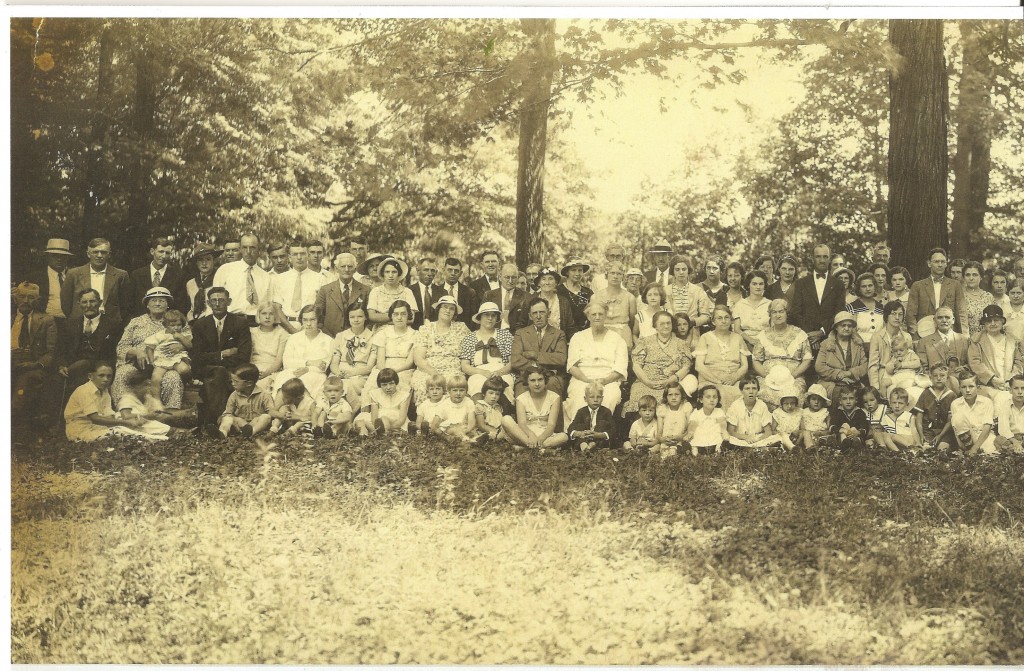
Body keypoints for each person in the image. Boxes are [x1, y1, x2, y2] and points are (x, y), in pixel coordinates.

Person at [111, 287, 191, 408]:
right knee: (123, 373)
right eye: (153, 300)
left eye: (162, 300)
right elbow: (122, 347)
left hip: (166, 365)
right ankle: (126, 412)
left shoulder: (177, 320)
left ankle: (168, 414)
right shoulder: (136, 322)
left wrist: (179, 346)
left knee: (173, 378)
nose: (157, 303)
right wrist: (137, 352)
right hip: (137, 365)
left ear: (168, 304)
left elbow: (190, 341)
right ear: (147, 304)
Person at [190, 287, 254, 430]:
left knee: (219, 373)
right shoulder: (200, 324)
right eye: (214, 300)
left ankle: (215, 420)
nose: (217, 304)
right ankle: (223, 421)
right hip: (205, 370)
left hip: (231, 370)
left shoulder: (240, 323)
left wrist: (213, 358)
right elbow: (197, 357)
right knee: (219, 372)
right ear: (208, 303)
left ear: (229, 302)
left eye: (222, 300)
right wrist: (222, 354)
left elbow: (243, 355)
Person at [565, 302, 629, 419]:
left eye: (601, 314)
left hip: (608, 380)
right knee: (578, 396)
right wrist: (587, 380)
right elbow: (572, 367)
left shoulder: (617, 339)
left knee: (610, 395)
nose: (597, 317)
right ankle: (579, 431)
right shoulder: (578, 337)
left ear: (606, 315)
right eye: (594, 314)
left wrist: (603, 381)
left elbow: (620, 368)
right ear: (588, 316)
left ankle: (600, 430)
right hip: (582, 379)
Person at [626, 311, 694, 415]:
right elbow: (636, 365)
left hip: (670, 383)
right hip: (645, 381)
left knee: (670, 399)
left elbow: (686, 367)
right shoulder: (645, 341)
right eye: (662, 323)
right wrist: (647, 382)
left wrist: (671, 380)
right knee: (641, 398)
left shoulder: (681, 344)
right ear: (655, 326)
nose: (666, 326)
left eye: (668, 323)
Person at [64, 361, 151, 441]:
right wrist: (125, 422)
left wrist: (133, 419)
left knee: (127, 428)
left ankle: (154, 435)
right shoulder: (84, 391)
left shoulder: (104, 391)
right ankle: (155, 439)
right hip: (80, 431)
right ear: (90, 376)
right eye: (101, 375)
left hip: (98, 427)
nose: (106, 379)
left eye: (109, 376)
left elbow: (108, 416)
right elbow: (95, 419)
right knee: (122, 432)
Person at [751, 299, 813, 409]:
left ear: (787, 313)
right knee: (762, 392)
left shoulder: (799, 333)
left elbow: (807, 359)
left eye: (781, 311)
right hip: (768, 377)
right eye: (774, 312)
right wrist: (768, 376)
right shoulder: (763, 334)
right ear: (770, 315)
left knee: (793, 392)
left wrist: (792, 376)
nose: (778, 315)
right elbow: (756, 360)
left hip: (793, 376)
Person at [410, 294, 471, 404]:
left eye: (452, 308)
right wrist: (435, 374)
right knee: (423, 385)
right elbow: (418, 359)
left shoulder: (461, 328)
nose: (448, 310)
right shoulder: (426, 329)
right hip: (428, 370)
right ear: (438, 309)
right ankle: (426, 418)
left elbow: (471, 350)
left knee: (454, 387)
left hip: (453, 371)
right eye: (445, 307)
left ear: (455, 313)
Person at [11, 281, 58, 422]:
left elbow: (51, 351)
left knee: (27, 378)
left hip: (33, 365)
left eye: (31, 297)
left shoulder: (46, 320)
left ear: (37, 300)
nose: (25, 301)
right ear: (14, 298)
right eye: (21, 296)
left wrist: (36, 364)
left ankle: (13, 415)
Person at [57, 288, 120, 391]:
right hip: (74, 367)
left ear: (100, 303)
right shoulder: (70, 324)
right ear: (79, 304)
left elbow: (115, 351)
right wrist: (61, 366)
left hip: (101, 367)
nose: (88, 305)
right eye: (84, 302)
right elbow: (60, 349)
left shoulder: (113, 324)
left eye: (92, 301)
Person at [61, 237, 132, 327]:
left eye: (103, 252)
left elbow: (125, 304)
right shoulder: (73, 274)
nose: (99, 255)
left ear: (109, 254)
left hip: (110, 325)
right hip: (80, 324)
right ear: (88, 254)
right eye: (95, 252)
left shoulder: (120, 275)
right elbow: (65, 303)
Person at [788, 243, 846, 350]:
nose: (822, 260)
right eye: (818, 256)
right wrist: (810, 334)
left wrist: (821, 332)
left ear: (829, 259)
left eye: (825, 257)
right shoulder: (801, 283)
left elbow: (839, 313)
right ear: (812, 258)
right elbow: (795, 312)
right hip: (805, 339)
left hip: (831, 339)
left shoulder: (838, 284)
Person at [272, 304, 335, 400]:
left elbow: (323, 366)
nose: (308, 324)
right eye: (305, 320)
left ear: (319, 320)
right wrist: (308, 363)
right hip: (293, 372)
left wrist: (307, 370)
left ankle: (304, 411)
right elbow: (287, 362)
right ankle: (277, 410)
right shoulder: (293, 338)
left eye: (312, 319)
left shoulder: (328, 341)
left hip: (315, 374)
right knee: (283, 377)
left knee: (309, 381)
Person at [509, 296, 568, 397]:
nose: (538, 316)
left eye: (542, 312)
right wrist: (539, 367)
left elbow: (561, 359)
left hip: (551, 377)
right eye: (535, 313)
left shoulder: (559, 334)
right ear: (530, 316)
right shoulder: (521, 333)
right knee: (522, 390)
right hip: (526, 377)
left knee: (552, 386)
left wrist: (535, 355)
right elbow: (515, 360)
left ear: (548, 314)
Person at [868, 301, 926, 404]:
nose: (897, 317)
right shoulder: (877, 337)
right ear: (886, 316)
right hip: (886, 374)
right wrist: (875, 387)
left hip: (905, 373)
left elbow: (910, 356)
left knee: (913, 394)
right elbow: (873, 365)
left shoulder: (906, 337)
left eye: (900, 314)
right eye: (893, 314)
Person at [694, 304, 748, 410]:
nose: (723, 321)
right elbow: (699, 366)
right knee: (719, 393)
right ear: (713, 322)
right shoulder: (705, 337)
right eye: (719, 318)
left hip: (733, 379)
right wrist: (717, 381)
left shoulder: (738, 338)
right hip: (710, 379)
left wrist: (734, 377)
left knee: (743, 394)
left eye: (726, 317)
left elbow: (745, 365)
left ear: (731, 320)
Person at [967, 305, 1024, 403]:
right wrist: (992, 379)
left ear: (1002, 321)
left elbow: (1018, 362)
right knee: (1000, 400)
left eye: (996, 320)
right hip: (987, 386)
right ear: (984, 324)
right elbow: (975, 363)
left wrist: (1010, 380)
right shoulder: (976, 340)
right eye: (989, 321)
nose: (992, 323)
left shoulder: (1011, 340)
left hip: (1010, 384)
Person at [212, 234, 272, 325]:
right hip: (231, 322)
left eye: (252, 248)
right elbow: (214, 300)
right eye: (244, 247)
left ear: (259, 250)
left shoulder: (266, 276)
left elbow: (268, 306)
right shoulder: (225, 270)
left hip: (256, 323)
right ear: (240, 249)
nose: (248, 251)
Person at [505, 364, 569, 451]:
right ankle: (540, 448)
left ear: (545, 380)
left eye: (540, 380)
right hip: (525, 433)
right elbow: (522, 424)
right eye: (532, 380)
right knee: (506, 420)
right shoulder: (521, 398)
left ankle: (527, 447)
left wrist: (541, 438)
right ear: (527, 382)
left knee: (564, 437)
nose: (537, 384)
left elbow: (551, 425)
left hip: (545, 435)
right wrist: (531, 435)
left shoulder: (554, 397)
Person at [907, 248, 969, 337]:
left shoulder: (955, 285)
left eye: (942, 262)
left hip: (949, 335)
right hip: (924, 334)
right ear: (929, 263)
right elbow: (910, 314)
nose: (940, 265)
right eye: (936, 262)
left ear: (946, 264)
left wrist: (964, 336)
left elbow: (961, 312)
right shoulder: (918, 286)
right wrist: (916, 336)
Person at [362, 300, 418, 400]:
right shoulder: (383, 333)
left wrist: (394, 372)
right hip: (383, 368)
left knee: (401, 387)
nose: (399, 317)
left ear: (408, 315)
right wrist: (385, 373)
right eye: (396, 314)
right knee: (370, 387)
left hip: (404, 370)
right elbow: (380, 360)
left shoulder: (415, 335)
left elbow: (409, 363)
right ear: (391, 316)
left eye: (403, 314)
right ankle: (368, 414)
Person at [459, 302, 514, 400]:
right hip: (478, 372)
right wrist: (482, 372)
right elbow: (465, 366)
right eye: (486, 315)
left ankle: (505, 413)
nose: (490, 318)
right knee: (477, 384)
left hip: (501, 371)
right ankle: (480, 413)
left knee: (506, 385)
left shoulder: (505, 335)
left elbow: (512, 362)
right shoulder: (469, 338)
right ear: (480, 318)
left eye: (493, 315)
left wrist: (499, 372)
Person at [271, 241, 327, 333]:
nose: (299, 258)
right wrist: (291, 329)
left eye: (302, 254)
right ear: (289, 257)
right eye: (295, 254)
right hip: (284, 327)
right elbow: (277, 307)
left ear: (308, 255)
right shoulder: (280, 279)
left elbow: (321, 308)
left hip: (309, 327)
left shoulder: (320, 279)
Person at [914, 306, 971, 393]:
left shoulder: (964, 340)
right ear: (934, 320)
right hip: (936, 386)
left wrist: (964, 368)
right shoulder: (924, 342)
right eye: (940, 317)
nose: (944, 320)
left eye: (947, 317)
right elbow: (923, 368)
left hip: (962, 385)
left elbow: (971, 363)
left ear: (953, 320)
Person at [814, 311, 868, 402]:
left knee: (863, 394)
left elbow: (864, 366)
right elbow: (819, 367)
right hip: (831, 382)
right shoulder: (826, 344)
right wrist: (839, 375)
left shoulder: (857, 344)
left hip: (852, 381)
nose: (846, 328)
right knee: (838, 392)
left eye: (849, 326)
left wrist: (850, 373)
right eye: (843, 325)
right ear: (836, 327)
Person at [329, 303, 375, 408]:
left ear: (366, 317)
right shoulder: (341, 336)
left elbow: (369, 367)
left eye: (360, 316)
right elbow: (334, 363)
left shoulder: (372, 337)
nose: (356, 320)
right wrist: (338, 373)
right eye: (352, 317)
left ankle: (350, 411)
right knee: (332, 385)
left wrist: (351, 373)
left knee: (347, 384)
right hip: (340, 372)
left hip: (360, 374)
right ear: (348, 318)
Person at [314, 252, 370, 337]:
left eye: (350, 266)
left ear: (355, 269)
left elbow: (369, 318)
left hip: (357, 338)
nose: (346, 269)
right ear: (336, 269)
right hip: (330, 337)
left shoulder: (365, 290)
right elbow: (317, 316)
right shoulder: (325, 290)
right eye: (343, 266)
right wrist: (326, 335)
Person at [213, 363, 274, 438]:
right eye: (232, 381)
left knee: (266, 417)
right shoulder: (234, 395)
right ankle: (222, 433)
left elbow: (271, 412)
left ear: (249, 383)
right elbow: (228, 413)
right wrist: (238, 420)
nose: (232, 384)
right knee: (226, 419)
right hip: (239, 424)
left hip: (255, 424)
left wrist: (257, 420)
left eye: (236, 381)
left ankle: (251, 432)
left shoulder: (264, 395)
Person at [129, 236, 186, 316]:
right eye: (161, 252)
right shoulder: (137, 275)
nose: (163, 256)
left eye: (167, 253)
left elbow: (181, 306)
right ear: (152, 251)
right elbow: (130, 304)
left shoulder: (178, 276)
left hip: (168, 322)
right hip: (141, 323)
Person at [143, 309, 192, 399]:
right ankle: (156, 400)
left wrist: (181, 337)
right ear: (165, 325)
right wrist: (152, 361)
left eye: (179, 325)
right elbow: (149, 348)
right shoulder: (159, 335)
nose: (176, 328)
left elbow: (190, 345)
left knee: (184, 369)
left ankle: (189, 380)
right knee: (156, 377)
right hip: (162, 360)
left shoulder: (184, 334)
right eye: (172, 325)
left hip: (177, 358)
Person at [26, 238, 73, 328]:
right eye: (55, 255)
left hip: (69, 323)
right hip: (44, 322)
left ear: (68, 258)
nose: (59, 259)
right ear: (47, 256)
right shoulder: (36, 277)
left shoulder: (73, 275)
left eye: (63, 256)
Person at [587, 263, 637, 349]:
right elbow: (592, 320)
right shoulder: (595, 297)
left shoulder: (630, 298)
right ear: (606, 275)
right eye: (612, 273)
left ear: (623, 277)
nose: (615, 276)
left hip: (623, 336)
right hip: (601, 336)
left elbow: (632, 322)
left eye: (619, 274)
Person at [353, 367, 411, 436]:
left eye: (391, 383)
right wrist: (378, 425)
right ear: (380, 385)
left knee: (385, 420)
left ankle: (381, 431)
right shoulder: (375, 394)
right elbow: (374, 417)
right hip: (378, 418)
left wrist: (389, 428)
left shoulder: (403, 395)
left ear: (396, 383)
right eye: (384, 385)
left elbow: (402, 419)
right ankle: (364, 431)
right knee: (360, 420)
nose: (388, 387)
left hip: (395, 420)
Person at [115, 369, 172, 440]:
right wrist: (147, 416)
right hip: (130, 426)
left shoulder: (147, 397)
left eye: (148, 385)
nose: (147, 388)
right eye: (143, 385)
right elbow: (126, 416)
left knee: (163, 427)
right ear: (135, 387)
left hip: (144, 424)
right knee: (165, 430)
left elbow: (158, 411)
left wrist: (157, 413)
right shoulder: (127, 398)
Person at [950, 371, 997, 456]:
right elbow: (956, 428)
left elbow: (987, 428)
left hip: (984, 436)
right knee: (957, 417)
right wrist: (962, 447)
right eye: (964, 387)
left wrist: (975, 448)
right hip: (966, 438)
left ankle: (975, 453)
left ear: (977, 388)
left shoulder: (986, 402)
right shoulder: (955, 404)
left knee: (988, 453)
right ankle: (968, 452)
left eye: (971, 386)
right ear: (959, 388)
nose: (967, 390)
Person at [726, 376, 779, 448]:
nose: (751, 392)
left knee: (776, 438)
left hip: (758, 437)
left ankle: (755, 448)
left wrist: (758, 439)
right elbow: (731, 431)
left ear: (758, 390)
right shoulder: (735, 406)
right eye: (747, 388)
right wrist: (745, 437)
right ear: (741, 391)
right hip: (741, 438)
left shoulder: (762, 406)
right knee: (730, 440)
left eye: (754, 388)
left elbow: (768, 431)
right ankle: (753, 449)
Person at [914, 362, 955, 451]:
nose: (938, 378)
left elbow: (950, 421)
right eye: (935, 376)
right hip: (928, 431)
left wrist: (940, 436)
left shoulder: (951, 395)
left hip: (944, 432)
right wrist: (921, 435)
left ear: (947, 378)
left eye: (942, 375)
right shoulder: (926, 393)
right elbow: (919, 418)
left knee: (942, 449)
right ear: (930, 378)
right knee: (926, 449)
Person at [367, 257, 417, 326]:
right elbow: (372, 316)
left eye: (394, 272)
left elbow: (411, 319)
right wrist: (400, 316)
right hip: (381, 331)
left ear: (399, 274)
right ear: (383, 274)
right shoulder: (375, 291)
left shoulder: (407, 292)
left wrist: (384, 319)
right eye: (387, 272)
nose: (390, 275)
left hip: (403, 330)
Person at [667, 256, 714, 330]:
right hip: (670, 332)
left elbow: (706, 316)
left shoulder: (697, 291)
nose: (681, 272)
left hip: (693, 333)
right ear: (673, 271)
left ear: (688, 270)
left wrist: (693, 322)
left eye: (684, 269)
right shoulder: (666, 290)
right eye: (677, 269)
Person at [484, 262, 531, 333]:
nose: (510, 281)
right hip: (493, 335)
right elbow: (483, 319)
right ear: (500, 277)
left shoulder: (526, 297)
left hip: (517, 337)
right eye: (507, 277)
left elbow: (528, 323)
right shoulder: (489, 295)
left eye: (514, 277)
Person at [567, 382, 615, 452]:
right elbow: (571, 428)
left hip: (598, 438)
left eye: (598, 397)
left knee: (603, 423)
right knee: (579, 425)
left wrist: (598, 435)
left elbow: (613, 430)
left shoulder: (606, 412)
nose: (595, 400)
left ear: (602, 398)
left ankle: (592, 445)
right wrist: (579, 433)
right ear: (585, 399)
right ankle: (584, 446)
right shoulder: (581, 411)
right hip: (583, 438)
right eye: (592, 397)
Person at [534, 267, 578, 342]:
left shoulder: (563, 301)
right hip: (535, 343)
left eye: (551, 279)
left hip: (558, 342)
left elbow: (570, 327)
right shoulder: (531, 300)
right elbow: (522, 325)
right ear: (539, 283)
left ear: (556, 282)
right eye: (544, 279)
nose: (547, 282)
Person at [470, 377, 517, 446]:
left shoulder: (498, 407)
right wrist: (496, 431)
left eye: (497, 394)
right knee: (489, 436)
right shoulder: (480, 406)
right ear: (484, 393)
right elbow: (481, 425)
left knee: (511, 430)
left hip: (500, 431)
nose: (494, 396)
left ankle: (512, 441)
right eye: (491, 393)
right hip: (488, 431)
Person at [248, 301, 288, 381]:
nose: (267, 317)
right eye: (264, 313)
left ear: (275, 316)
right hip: (254, 368)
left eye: (271, 314)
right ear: (258, 315)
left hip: (273, 370)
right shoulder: (251, 332)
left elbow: (279, 360)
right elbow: (249, 357)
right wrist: (253, 371)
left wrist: (267, 372)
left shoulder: (282, 333)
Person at [184, 242, 222, 323]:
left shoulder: (219, 280)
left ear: (214, 261)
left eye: (208, 259)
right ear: (196, 263)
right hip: (193, 322)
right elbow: (190, 307)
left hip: (214, 322)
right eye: (200, 260)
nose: (204, 263)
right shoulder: (191, 283)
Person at [732, 270, 771, 349]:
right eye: (754, 284)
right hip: (745, 341)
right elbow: (736, 329)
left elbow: (773, 328)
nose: (758, 287)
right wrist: (750, 340)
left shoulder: (770, 304)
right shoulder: (740, 304)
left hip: (766, 341)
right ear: (748, 285)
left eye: (761, 284)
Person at [685, 385, 727, 454]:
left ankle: (718, 449)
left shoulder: (719, 411)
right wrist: (690, 432)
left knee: (718, 430)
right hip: (702, 434)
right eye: (708, 397)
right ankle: (694, 450)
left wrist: (724, 431)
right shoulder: (697, 412)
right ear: (701, 400)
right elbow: (693, 424)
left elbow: (722, 423)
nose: (712, 400)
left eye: (715, 397)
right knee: (696, 433)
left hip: (713, 433)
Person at [828, 384, 870, 450]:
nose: (848, 402)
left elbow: (865, 427)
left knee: (854, 430)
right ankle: (844, 445)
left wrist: (858, 432)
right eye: (844, 399)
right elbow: (831, 426)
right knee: (843, 429)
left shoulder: (860, 412)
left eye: (851, 398)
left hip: (855, 435)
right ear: (840, 401)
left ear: (856, 400)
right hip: (842, 435)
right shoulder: (837, 412)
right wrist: (840, 430)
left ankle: (856, 444)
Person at [440, 257, 480, 327]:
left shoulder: (469, 293)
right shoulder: (436, 291)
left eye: (456, 271)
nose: (453, 273)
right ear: (444, 270)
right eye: (449, 270)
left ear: (460, 273)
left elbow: (474, 319)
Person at [846, 273, 883, 345]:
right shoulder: (852, 307)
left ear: (875, 287)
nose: (867, 289)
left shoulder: (881, 307)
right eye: (864, 286)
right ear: (859, 289)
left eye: (870, 285)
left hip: (880, 348)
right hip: (858, 347)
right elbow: (851, 331)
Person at [656, 381, 692, 455]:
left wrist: (679, 437)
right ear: (666, 396)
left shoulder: (686, 407)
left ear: (682, 395)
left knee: (678, 451)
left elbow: (690, 429)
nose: (673, 397)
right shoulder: (662, 409)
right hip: (666, 440)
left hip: (682, 439)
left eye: (677, 394)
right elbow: (659, 434)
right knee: (665, 454)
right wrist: (663, 439)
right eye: (670, 395)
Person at [558, 258, 594, 331]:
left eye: (580, 270)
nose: (577, 274)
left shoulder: (588, 292)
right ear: (567, 272)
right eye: (573, 270)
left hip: (585, 333)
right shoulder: (559, 291)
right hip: (563, 332)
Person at [960, 261, 995, 336]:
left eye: (975, 275)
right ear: (963, 277)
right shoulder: (959, 296)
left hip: (986, 340)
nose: (971, 278)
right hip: (964, 340)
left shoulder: (988, 297)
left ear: (981, 277)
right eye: (968, 275)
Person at [410, 256, 445, 329]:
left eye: (432, 271)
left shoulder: (442, 292)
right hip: (414, 331)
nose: (429, 274)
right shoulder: (409, 291)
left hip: (436, 331)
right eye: (426, 270)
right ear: (418, 271)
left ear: (436, 272)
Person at [994, 374, 1024, 453]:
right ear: (1010, 390)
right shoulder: (1005, 406)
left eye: (1023, 388)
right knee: (998, 440)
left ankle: (1017, 452)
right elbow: (1003, 429)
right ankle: (1015, 450)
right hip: (1011, 438)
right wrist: (1015, 441)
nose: (1020, 392)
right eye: (1016, 388)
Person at [801, 384, 833, 450]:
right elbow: (803, 428)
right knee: (806, 433)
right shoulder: (804, 412)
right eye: (813, 399)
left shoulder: (825, 412)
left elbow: (829, 428)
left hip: (821, 434)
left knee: (827, 436)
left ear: (823, 401)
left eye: (819, 400)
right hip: (809, 435)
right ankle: (810, 447)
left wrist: (821, 433)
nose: (816, 402)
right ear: (809, 400)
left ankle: (824, 447)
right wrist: (810, 433)